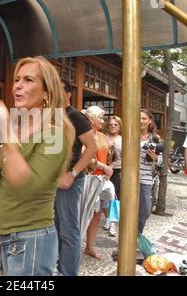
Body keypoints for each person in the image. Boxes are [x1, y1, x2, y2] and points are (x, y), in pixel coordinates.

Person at [0, 56, 75, 276]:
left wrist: (3, 124)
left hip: (33, 239)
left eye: (29, 80)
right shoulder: (15, 132)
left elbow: (27, 186)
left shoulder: (55, 134)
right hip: (8, 238)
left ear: (46, 92)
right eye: (17, 79)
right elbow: (6, 192)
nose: (18, 86)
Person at [54, 80, 96, 276]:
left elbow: (92, 147)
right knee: (53, 227)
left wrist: (72, 174)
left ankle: (68, 273)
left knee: (68, 230)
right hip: (51, 180)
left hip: (69, 181)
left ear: (68, 94)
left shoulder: (75, 116)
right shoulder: (49, 115)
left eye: (58, 88)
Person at [80, 106, 115, 259]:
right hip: (87, 177)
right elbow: (84, 155)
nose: (103, 120)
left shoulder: (101, 135)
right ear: (91, 119)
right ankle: (75, 246)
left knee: (96, 213)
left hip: (100, 179)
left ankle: (90, 246)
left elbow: (107, 155)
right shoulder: (83, 133)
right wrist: (104, 167)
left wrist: (107, 170)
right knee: (83, 212)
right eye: (100, 118)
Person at [138, 109, 161, 234]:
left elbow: (160, 161)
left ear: (150, 121)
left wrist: (154, 157)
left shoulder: (155, 139)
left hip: (145, 178)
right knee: (128, 211)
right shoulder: (130, 135)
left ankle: (137, 236)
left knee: (145, 211)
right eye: (139, 118)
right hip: (129, 178)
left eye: (144, 118)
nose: (141, 121)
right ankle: (125, 242)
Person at [107, 116, 122, 199]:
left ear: (119, 127)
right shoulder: (102, 138)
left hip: (117, 172)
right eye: (111, 124)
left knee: (115, 197)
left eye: (116, 124)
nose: (113, 126)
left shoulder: (123, 140)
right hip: (103, 171)